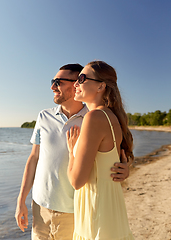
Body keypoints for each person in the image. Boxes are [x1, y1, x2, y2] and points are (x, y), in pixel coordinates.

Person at [15, 63, 130, 240]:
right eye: (53, 81)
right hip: (40, 208)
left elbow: (115, 152)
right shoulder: (43, 116)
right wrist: (21, 200)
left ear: (76, 82)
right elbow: (34, 158)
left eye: (58, 82)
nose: (53, 86)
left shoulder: (93, 117)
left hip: (74, 212)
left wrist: (125, 168)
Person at [66, 60, 134, 239]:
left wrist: (71, 153)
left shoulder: (94, 117)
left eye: (81, 78)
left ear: (100, 86)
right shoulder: (110, 116)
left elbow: (76, 181)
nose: (76, 84)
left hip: (96, 210)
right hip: (108, 208)